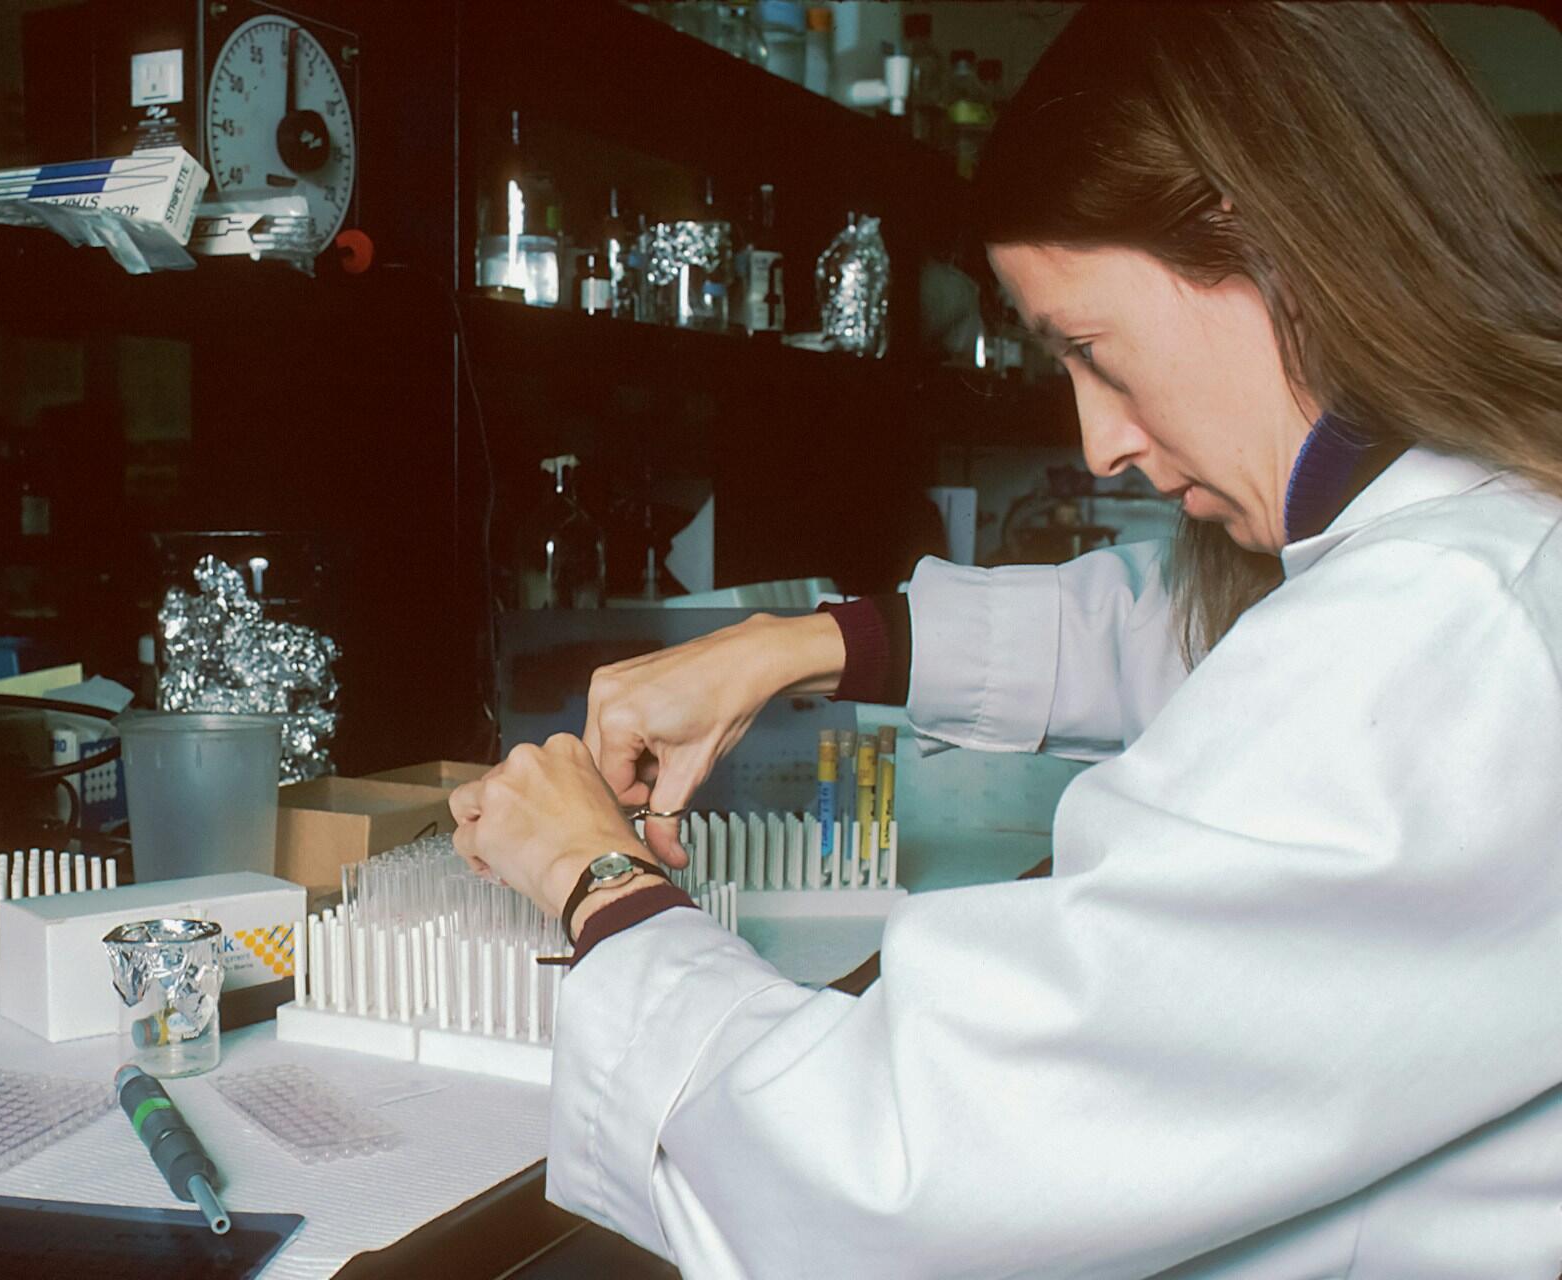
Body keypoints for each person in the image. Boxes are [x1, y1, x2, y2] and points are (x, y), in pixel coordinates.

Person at [448, 4, 1562, 1275]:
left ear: (1272, 247)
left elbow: (903, 1174)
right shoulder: (1472, 538)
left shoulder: (1445, 642)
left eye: (1094, 350)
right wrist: (793, 643)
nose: (1100, 445)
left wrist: (603, 883)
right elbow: (1184, 635)